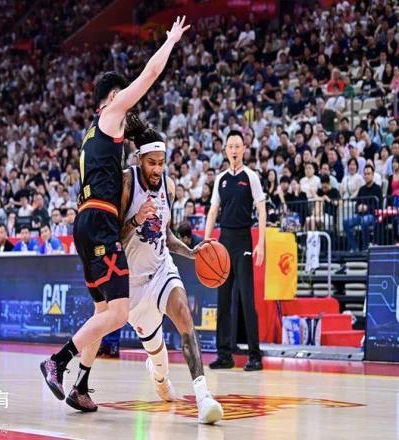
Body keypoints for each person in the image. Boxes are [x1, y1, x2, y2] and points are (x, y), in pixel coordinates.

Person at [40, 17, 191, 407]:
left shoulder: (92, 134)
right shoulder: (110, 114)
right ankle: (58, 362)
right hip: (101, 220)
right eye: (122, 97)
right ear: (111, 98)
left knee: (103, 311)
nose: (128, 105)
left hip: (86, 220)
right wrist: (171, 41)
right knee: (120, 313)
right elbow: (150, 74)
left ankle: (81, 386)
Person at [69, 128, 223, 423]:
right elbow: (112, 236)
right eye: (151, 162)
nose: (157, 169)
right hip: (133, 286)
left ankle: (203, 397)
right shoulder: (126, 183)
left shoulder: (169, 186)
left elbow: (166, 233)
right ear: (139, 159)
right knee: (158, 355)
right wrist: (137, 219)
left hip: (162, 269)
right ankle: (159, 375)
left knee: (184, 315)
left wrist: (191, 252)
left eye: (161, 163)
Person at [205, 130, 266, 371]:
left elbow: (261, 210)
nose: (233, 150)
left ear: (244, 149)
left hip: (243, 240)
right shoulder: (220, 179)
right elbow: (213, 211)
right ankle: (224, 355)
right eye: (230, 146)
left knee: (246, 299)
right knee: (223, 300)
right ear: (225, 150)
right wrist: (207, 240)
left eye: (237, 146)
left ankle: (255, 356)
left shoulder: (251, 177)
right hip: (224, 241)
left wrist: (261, 243)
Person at [344, 165, 383, 252]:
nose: (366, 176)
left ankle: (366, 247)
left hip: (373, 215)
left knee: (364, 221)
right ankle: (355, 247)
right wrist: (358, 207)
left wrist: (367, 208)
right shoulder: (362, 189)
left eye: (368, 174)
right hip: (360, 215)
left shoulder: (378, 189)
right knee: (346, 221)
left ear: (373, 175)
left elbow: (379, 206)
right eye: (365, 174)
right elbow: (357, 204)